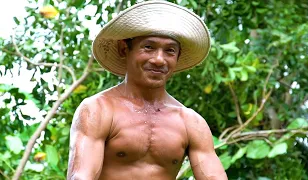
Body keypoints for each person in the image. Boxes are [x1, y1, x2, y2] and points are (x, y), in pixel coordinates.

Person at [67, 1, 228, 180]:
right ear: (124, 49)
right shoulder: (98, 109)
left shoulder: (190, 122)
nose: (159, 60)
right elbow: (81, 177)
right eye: (149, 47)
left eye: (170, 51)